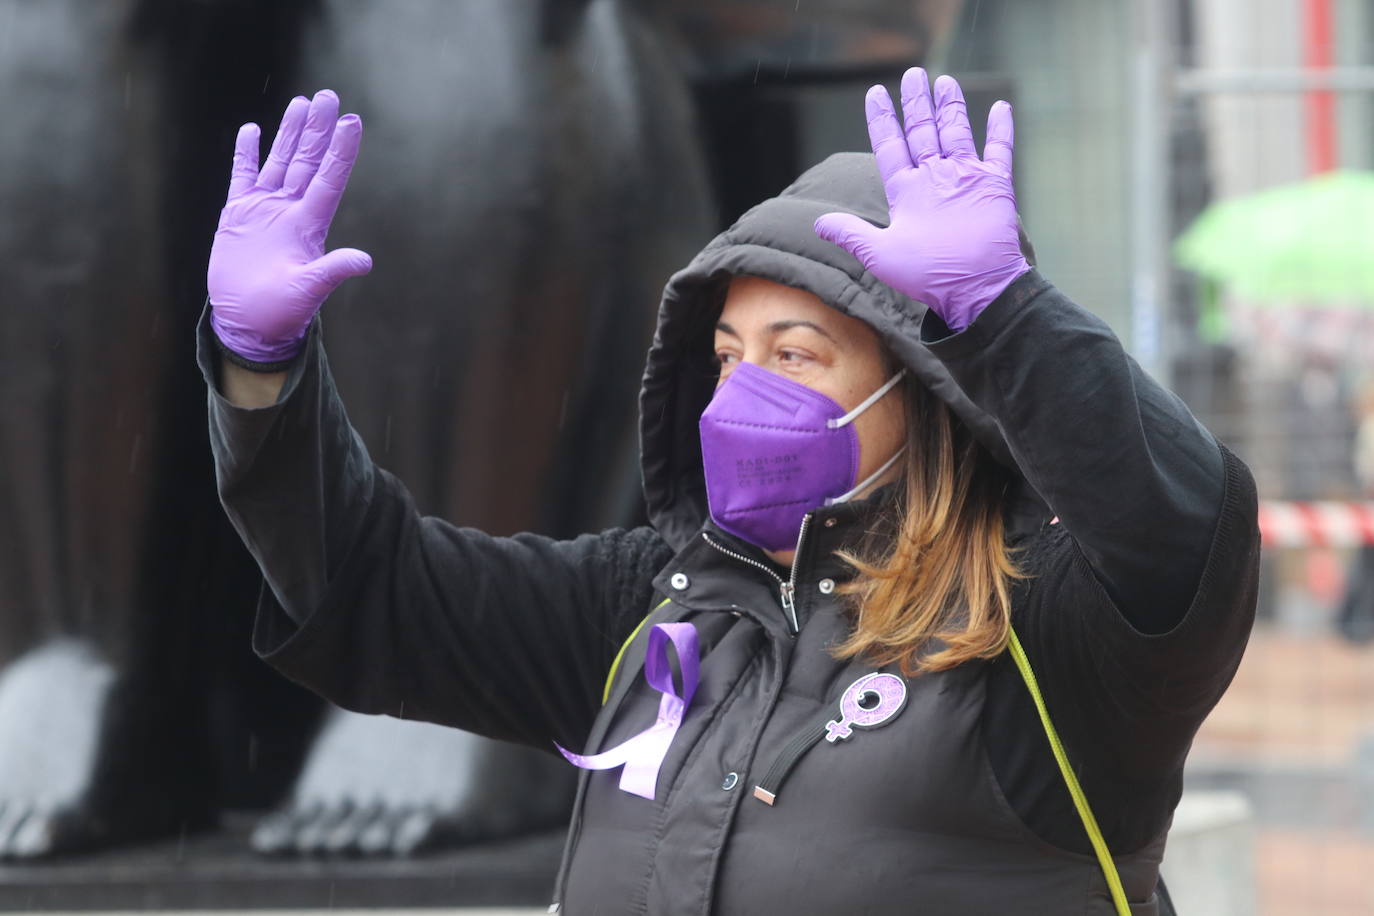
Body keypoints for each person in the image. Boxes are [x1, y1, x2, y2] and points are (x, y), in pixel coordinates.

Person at [201, 71, 1258, 914]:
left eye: (796, 356)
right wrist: (263, 371)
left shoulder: (1042, 629)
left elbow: (1186, 533)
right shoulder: (659, 608)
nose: (746, 388)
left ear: (922, 393)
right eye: (726, 353)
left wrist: (1002, 314)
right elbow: (374, 588)